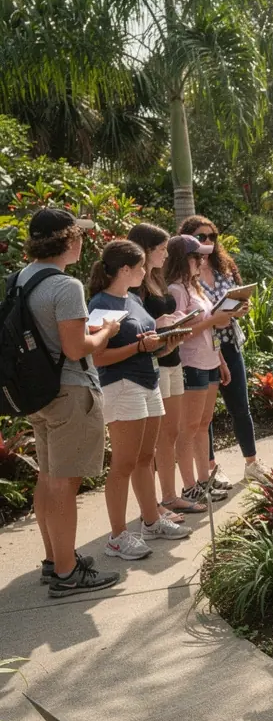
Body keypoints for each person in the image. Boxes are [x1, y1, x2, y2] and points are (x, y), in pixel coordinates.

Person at [18, 208, 121, 596]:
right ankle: (66, 572)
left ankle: (54, 559)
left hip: (38, 393)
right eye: (79, 234)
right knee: (65, 484)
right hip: (70, 390)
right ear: (68, 239)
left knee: (48, 477)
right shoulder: (65, 286)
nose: (83, 241)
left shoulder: (22, 278)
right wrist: (107, 331)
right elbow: (77, 347)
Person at [88, 240, 191, 559]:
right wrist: (138, 349)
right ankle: (117, 536)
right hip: (121, 387)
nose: (147, 271)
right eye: (141, 267)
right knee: (123, 463)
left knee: (146, 458)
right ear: (124, 270)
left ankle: (151, 520)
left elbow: (146, 342)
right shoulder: (99, 305)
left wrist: (168, 343)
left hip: (148, 381)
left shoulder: (132, 298)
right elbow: (98, 357)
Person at [177, 214, 268, 484]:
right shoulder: (185, 277)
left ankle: (251, 462)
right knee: (205, 415)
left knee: (240, 404)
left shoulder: (224, 268)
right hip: (201, 346)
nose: (207, 242)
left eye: (212, 237)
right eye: (200, 237)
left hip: (228, 342)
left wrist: (241, 309)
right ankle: (212, 467)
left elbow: (235, 298)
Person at [127, 223, 205, 518]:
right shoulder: (135, 283)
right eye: (160, 249)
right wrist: (160, 324)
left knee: (170, 433)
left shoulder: (157, 277)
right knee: (151, 441)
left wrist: (175, 320)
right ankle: (153, 505)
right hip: (152, 363)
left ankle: (170, 496)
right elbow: (135, 323)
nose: (164, 254)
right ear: (144, 249)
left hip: (172, 358)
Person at [162, 234, 233, 505]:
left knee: (203, 424)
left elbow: (210, 327)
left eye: (203, 255)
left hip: (210, 360)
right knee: (188, 428)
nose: (202, 260)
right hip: (191, 362)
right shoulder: (176, 291)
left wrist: (222, 361)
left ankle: (204, 480)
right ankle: (190, 485)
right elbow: (178, 332)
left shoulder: (195, 287)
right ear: (183, 259)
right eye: (196, 256)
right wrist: (214, 319)